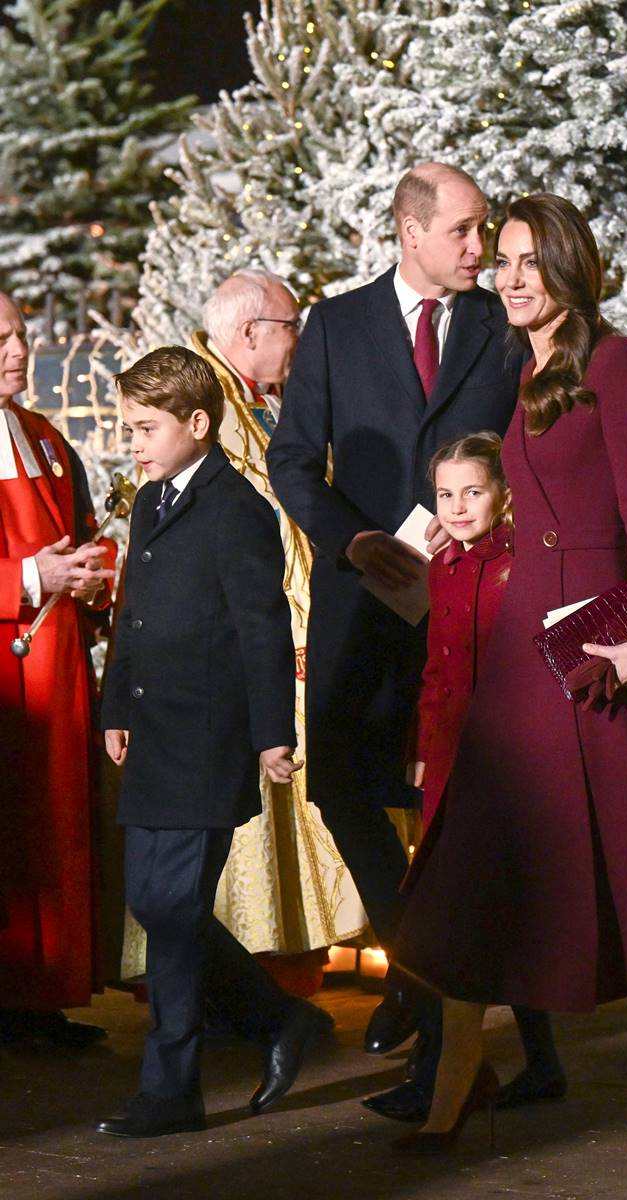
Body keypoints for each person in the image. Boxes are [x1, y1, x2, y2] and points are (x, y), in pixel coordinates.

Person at [392, 193, 627, 1153]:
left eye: (526, 261)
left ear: (567, 267)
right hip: (518, 652)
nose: (508, 277)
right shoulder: (525, 366)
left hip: (596, 647)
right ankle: (462, 1071)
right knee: (468, 860)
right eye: (499, 261)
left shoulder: (616, 361)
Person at [268, 161, 562, 1121]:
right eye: (467, 232)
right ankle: (434, 997)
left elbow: (534, 447)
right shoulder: (337, 325)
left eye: (486, 233)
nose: (484, 250)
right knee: (347, 792)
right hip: (367, 603)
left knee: (486, 811)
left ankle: (519, 1047)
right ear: (410, 232)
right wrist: (350, 537)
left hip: (482, 605)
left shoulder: (500, 325)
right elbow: (293, 459)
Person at [97, 347, 332, 1139]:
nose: (132, 441)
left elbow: (263, 628)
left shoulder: (238, 510)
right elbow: (134, 611)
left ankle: (172, 1090)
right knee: (154, 903)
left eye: (145, 427)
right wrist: (114, 704)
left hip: (209, 737)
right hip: (152, 731)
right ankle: (280, 1018)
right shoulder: (149, 502)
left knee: (173, 905)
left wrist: (272, 734)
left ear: (197, 425)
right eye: (129, 427)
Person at [121, 270, 368, 993]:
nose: (301, 340)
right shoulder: (208, 405)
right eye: (293, 325)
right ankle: (259, 998)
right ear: (251, 332)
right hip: (231, 658)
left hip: (282, 632)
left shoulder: (260, 401)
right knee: (191, 873)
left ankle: (276, 994)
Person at [411, 431, 565, 1107]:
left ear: (502, 493)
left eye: (473, 491)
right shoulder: (440, 566)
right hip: (448, 756)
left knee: (502, 905)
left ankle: (502, 1067)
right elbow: (436, 667)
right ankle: (497, 1064)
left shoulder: (522, 561)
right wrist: (421, 748)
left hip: (505, 758)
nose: (458, 506)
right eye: (446, 494)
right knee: (462, 906)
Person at [0, 291, 115, 1047]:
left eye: (19, 335)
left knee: (60, 829)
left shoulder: (43, 436)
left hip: (60, 669)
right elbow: (34, 566)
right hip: (9, 683)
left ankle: (44, 996)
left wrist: (98, 570)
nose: (18, 350)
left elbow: (79, 533)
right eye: (1, 338)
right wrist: (31, 579)